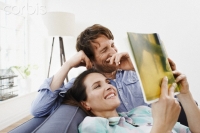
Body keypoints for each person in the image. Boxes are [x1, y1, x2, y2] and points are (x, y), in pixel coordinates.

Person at [30, 24, 189, 126]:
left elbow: (171, 91)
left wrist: (137, 66)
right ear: (90, 59)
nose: (113, 52)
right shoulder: (88, 85)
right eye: (104, 50)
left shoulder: (134, 71)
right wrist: (68, 64)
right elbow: (39, 109)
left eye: (112, 45)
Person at [63, 68, 200, 133]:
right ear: (85, 103)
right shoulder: (93, 126)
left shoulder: (142, 111)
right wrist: (162, 127)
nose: (109, 87)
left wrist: (185, 94)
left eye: (107, 82)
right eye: (97, 86)